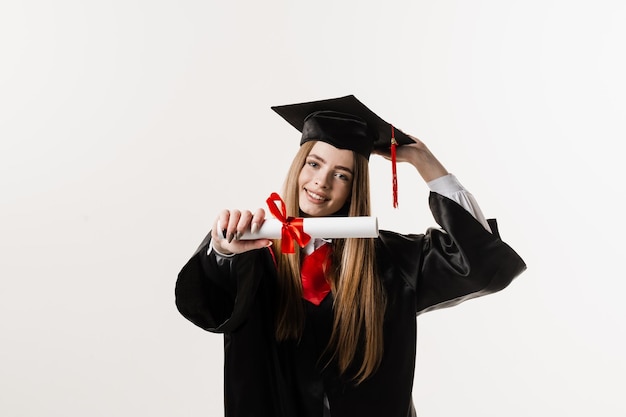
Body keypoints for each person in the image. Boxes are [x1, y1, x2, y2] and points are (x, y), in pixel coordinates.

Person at [175, 95, 526, 417]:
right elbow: (209, 306)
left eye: (341, 174)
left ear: (354, 187)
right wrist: (222, 252)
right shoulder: (252, 250)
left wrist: (426, 163)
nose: (321, 182)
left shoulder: (391, 262)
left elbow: (482, 263)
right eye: (314, 164)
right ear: (298, 166)